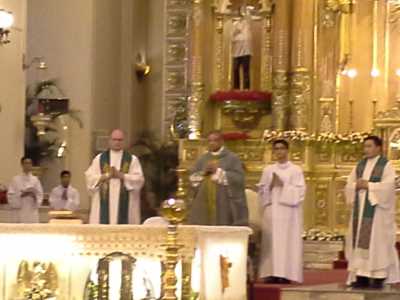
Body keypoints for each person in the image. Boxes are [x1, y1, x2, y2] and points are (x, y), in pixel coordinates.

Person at [345, 135, 400, 289]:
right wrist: (356, 185)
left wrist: (369, 186)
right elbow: (349, 184)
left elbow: (390, 187)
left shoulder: (386, 165)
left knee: (377, 242)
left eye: (369, 146)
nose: (366, 149)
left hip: (377, 212)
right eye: (365, 146)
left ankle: (377, 276)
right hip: (361, 211)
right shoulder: (360, 165)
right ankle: (361, 275)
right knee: (359, 242)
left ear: (378, 148)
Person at [257, 140, 305, 284]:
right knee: (271, 242)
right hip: (272, 211)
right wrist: (270, 187)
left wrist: (283, 186)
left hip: (288, 212)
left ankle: (285, 273)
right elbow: (261, 191)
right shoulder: (268, 170)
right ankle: (271, 272)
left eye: (281, 148)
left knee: (286, 242)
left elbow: (300, 192)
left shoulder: (296, 170)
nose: (279, 152)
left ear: (287, 150)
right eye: (276, 149)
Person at [188, 130, 248, 226]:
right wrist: (204, 172)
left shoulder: (232, 158)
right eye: (209, 141)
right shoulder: (203, 158)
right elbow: (192, 178)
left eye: (215, 140)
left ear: (221, 141)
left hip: (224, 199)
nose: (212, 143)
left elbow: (239, 179)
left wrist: (219, 171)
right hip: (204, 197)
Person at [85, 129, 145, 224]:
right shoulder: (100, 159)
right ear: (109, 140)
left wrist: (122, 176)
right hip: (103, 206)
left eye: (120, 140)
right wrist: (105, 176)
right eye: (114, 139)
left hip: (125, 205)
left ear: (124, 141)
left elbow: (139, 180)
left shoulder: (132, 159)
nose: (117, 142)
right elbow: (90, 178)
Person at [7, 157, 43, 223]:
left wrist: (34, 196)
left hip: (31, 212)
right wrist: (20, 195)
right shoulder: (15, 180)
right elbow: (10, 197)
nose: (28, 165)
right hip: (19, 212)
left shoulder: (36, 180)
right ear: (22, 165)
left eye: (30, 163)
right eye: (26, 163)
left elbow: (40, 196)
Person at [232, 6, 252, 89]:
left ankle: (246, 88)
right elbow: (232, 37)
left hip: (246, 51)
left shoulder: (247, 23)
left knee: (245, 71)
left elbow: (247, 16)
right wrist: (236, 30)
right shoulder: (235, 24)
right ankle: (236, 88)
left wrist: (245, 10)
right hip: (237, 52)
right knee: (235, 69)